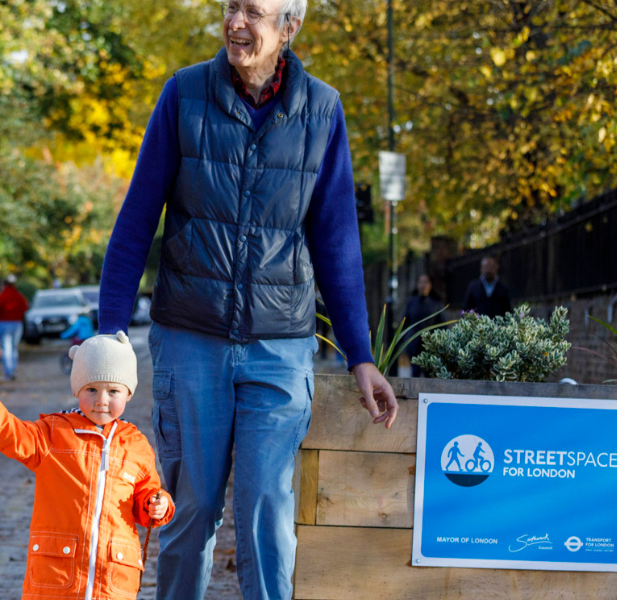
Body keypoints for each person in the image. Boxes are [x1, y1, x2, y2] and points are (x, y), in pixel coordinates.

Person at [95, 0, 398, 598]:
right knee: (191, 511)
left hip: (280, 348)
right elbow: (136, 221)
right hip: (191, 339)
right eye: (231, 7)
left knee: (266, 514)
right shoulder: (184, 94)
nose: (237, 22)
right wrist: (110, 333)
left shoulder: (322, 110)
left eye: (254, 12)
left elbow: (337, 241)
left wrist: (361, 354)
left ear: (290, 27)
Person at [0, 332, 174, 599]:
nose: (101, 400)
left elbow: (146, 492)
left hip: (113, 579)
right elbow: (11, 434)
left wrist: (156, 504)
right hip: (57, 576)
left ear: (129, 393)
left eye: (113, 391)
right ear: (77, 389)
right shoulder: (54, 433)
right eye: (91, 389)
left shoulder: (136, 444)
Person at [0, 275, 29, 380]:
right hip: (17, 324)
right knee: (14, 348)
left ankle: (8, 372)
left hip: (5, 324)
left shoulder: (2, 296)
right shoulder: (18, 295)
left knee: (6, 349)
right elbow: (25, 307)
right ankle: (13, 369)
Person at [402, 273, 445, 369]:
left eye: (425, 282)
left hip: (430, 345)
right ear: (417, 284)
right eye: (420, 282)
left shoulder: (436, 303)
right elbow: (404, 322)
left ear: (430, 285)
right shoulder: (411, 302)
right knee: (414, 373)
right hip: (414, 344)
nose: (423, 285)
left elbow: (442, 325)